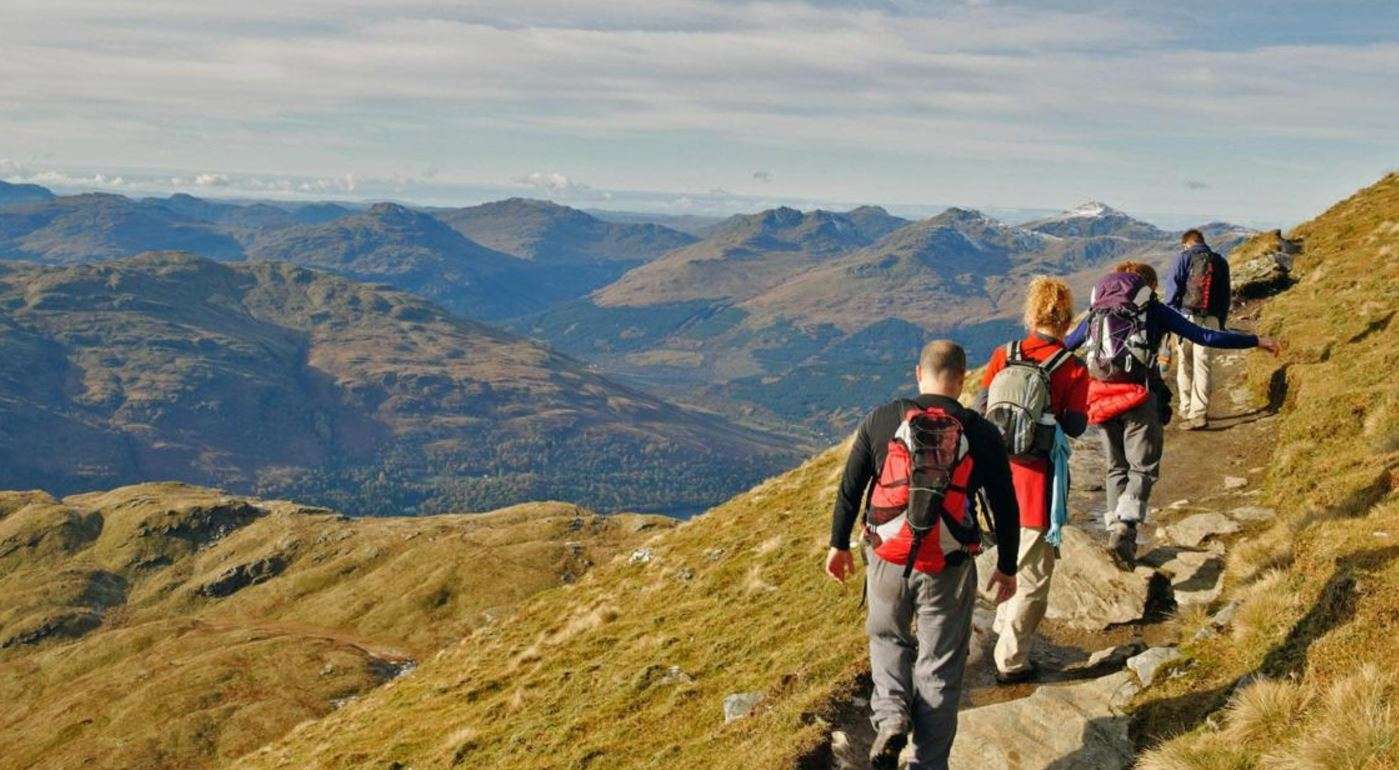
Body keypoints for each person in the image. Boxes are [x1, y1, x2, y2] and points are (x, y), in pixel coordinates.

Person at [825, 340, 1021, 770]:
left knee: (887, 639)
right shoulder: (980, 431)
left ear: (919, 373)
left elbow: (850, 488)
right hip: (947, 567)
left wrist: (838, 544)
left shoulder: (883, 419)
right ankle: (928, 764)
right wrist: (1007, 566)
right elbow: (1006, 504)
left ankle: (892, 717)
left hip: (888, 559)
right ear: (962, 378)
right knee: (940, 666)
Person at [1065, 261, 1279, 568]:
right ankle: (1125, 527)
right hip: (1138, 397)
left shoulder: (1099, 312)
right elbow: (1205, 336)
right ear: (1148, 287)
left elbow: (1067, 346)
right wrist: (1255, 340)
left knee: (1116, 468)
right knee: (1143, 467)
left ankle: (1116, 530)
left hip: (1100, 397)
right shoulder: (1153, 309)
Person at [975, 276, 1090, 685]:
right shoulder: (1072, 367)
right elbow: (1076, 426)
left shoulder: (1003, 353)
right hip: (1037, 483)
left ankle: (1000, 626)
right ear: (1066, 318)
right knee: (1034, 577)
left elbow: (981, 407)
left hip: (996, 477)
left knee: (1011, 554)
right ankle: (1012, 660)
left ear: (1031, 312)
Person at [1165, 229, 1233, 430]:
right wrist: (1220, 323)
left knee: (1185, 362)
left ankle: (1185, 408)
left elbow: (1172, 291)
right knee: (1203, 364)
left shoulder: (1183, 258)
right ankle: (1199, 413)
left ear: (1187, 244)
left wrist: (1169, 319)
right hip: (1210, 319)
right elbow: (1225, 296)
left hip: (1185, 317)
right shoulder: (1220, 261)